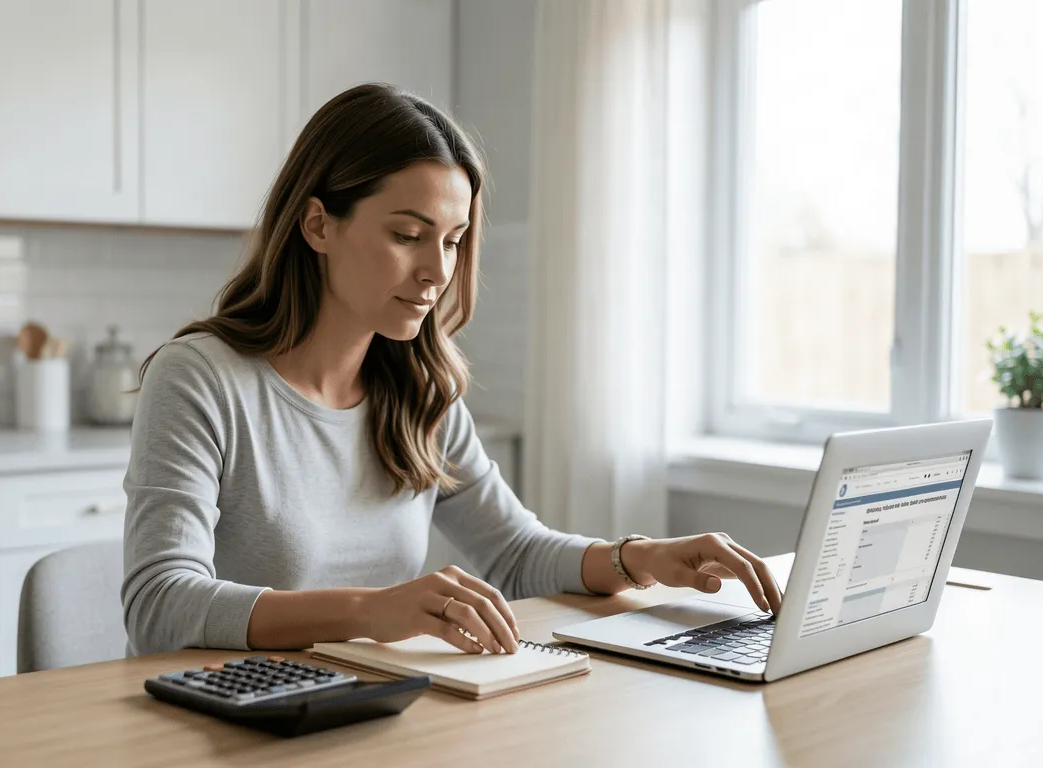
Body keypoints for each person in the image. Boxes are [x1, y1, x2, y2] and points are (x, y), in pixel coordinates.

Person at [122, 83, 782, 657]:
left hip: (364, 706)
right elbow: (160, 604)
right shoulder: (200, 379)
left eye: (453, 240)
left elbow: (516, 552)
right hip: (221, 719)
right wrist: (371, 612)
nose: (437, 271)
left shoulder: (419, 392)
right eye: (407, 236)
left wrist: (639, 558)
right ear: (318, 225)